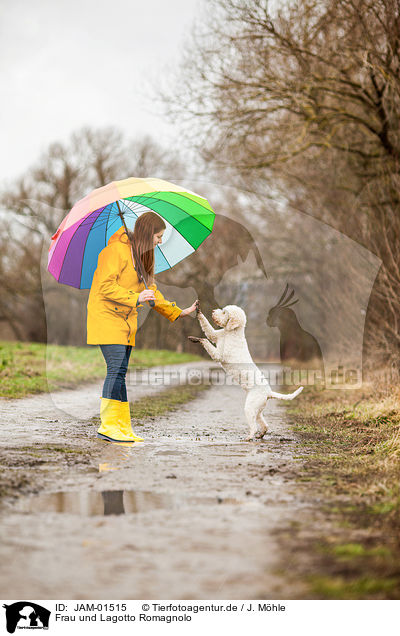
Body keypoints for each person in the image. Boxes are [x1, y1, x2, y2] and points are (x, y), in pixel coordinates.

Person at [87, 211, 197, 443]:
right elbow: (104, 287)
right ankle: (108, 426)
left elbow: (151, 292)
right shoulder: (114, 251)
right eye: (158, 236)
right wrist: (134, 298)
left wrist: (177, 311)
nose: (160, 241)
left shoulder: (142, 257)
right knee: (115, 369)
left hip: (126, 322)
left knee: (121, 373)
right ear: (148, 234)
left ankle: (123, 426)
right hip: (106, 317)